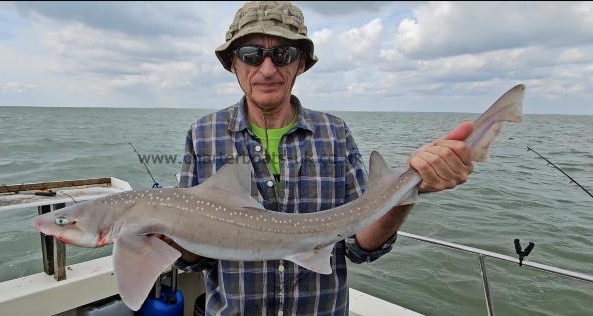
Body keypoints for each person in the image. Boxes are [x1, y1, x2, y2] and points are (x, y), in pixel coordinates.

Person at [161, 1, 474, 315]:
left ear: (302, 64)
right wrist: (162, 231)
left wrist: (408, 190)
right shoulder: (202, 134)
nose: (267, 70)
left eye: (283, 55)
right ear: (233, 63)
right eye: (251, 55)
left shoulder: (334, 133)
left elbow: (360, 245)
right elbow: (194, 260)